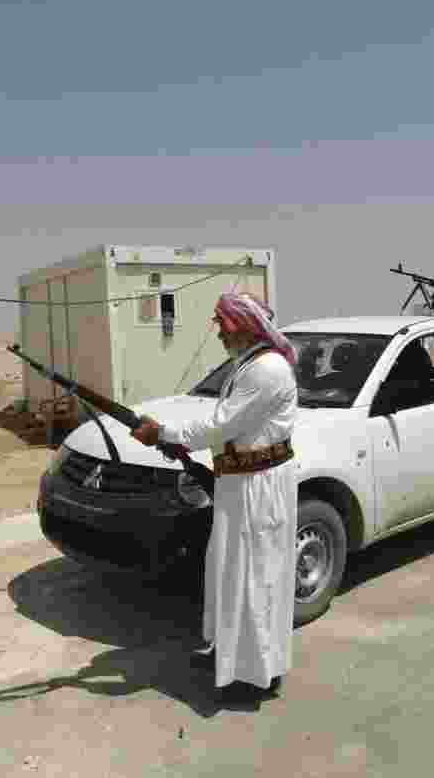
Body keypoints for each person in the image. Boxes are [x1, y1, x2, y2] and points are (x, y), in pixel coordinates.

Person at [130, 292, 298, 698]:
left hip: (258, 487)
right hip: (239, 483)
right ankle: (229, 652)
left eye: (222, 321)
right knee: (230, 570)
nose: (218, 329)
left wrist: (166, 434)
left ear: (243, 323)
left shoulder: (267, 369)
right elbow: (225, 426)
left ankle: (255, 674)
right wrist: (174, 438)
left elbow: (221, 426)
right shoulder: (249, 364)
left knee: (254, 575)